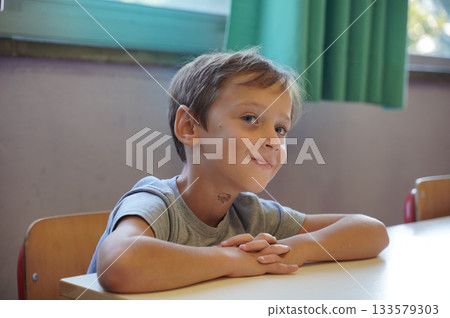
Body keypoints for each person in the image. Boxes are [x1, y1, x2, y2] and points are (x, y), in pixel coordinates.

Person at [88, 49, 389, 293]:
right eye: (250, 118)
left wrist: (294, 249)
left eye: (281, 128)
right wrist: (231, 259)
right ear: (190, 127)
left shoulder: (250, 213)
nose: (273, 140)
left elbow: (371, 231)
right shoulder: (156, 202)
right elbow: (120, 264)